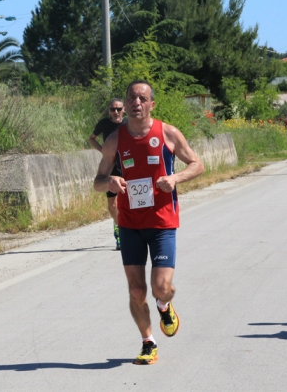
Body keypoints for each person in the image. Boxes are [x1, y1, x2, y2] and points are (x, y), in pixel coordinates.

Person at [93, 80, 204, 365]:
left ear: (151, 104)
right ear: (125, 104)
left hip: (162, 221)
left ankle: (165, 305)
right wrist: (111, 181)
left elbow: (197, 164)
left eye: (142, 98)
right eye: (131, 98)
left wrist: (175, 178)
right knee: (135, 289)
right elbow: (97, 182)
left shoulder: (167, 132)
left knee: (160, 287)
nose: (136, 103)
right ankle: (148, 342)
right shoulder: (115, 140)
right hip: (129, 222)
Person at [89, 98, 127, 250]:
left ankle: (132, 232)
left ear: (124, 109)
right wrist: (103, 151)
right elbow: (91, 139)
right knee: (112, 205)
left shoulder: (129, 123)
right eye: (112, 109)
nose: (116, 112)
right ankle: (119, 228)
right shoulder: (104, 124)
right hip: (111, 167)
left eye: (118, 109)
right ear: (109, 111)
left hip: (128, 165)